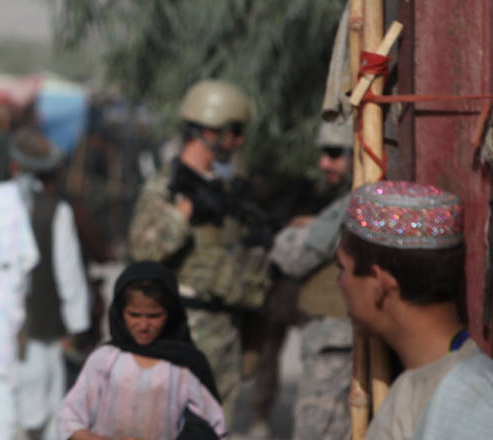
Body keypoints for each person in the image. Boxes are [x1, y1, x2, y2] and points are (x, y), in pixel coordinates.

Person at [127, 80, 270, 422]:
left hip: (226, 334)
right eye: (233, 132)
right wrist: (186, 210)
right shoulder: (166, 189)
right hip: (183, 334)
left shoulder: (225, 189)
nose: (238, 142)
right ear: (210, 131)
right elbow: (142, 251)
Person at [0, 129, 91, 440]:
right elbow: (69, 276)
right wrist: (77, 325)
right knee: (44, 417)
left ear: (13, 165)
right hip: (41, 333)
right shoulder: (57, 211)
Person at [334, 181, 475, 439]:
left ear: (379, 284)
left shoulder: (465, 404)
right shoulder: (420, 385)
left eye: (342, 268)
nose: (339, 284)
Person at [58, 261, 225, 440]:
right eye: (134, 315)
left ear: (171, 313)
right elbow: (69, 417)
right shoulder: (105, 359)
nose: (143, 326)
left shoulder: (184, 366)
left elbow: (213, 427)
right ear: (120, 312)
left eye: (154, 316)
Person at [263, 119, 354, 439]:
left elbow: (289, 255)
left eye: (334, 153)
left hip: (337, 344)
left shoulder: (351, 204)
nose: (323, 163)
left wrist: (294, 230)